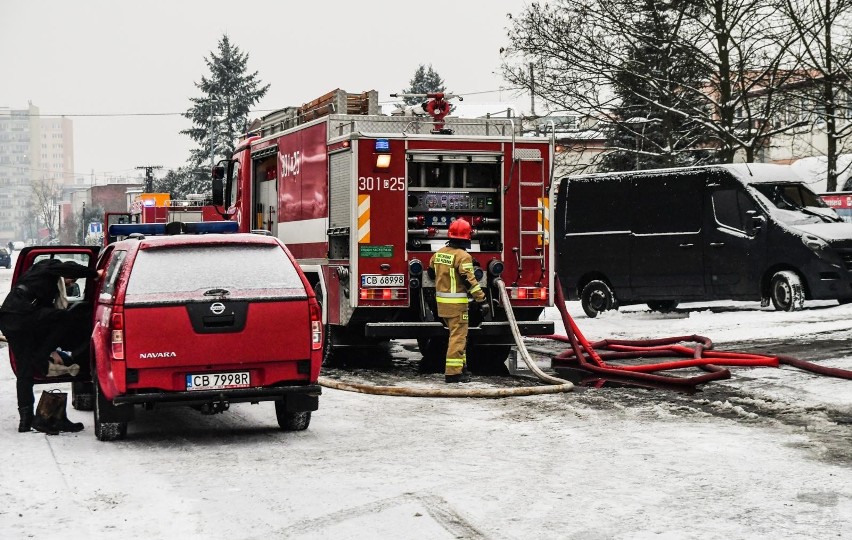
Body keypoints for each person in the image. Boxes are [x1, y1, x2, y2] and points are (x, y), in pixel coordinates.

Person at [0, 259, 100, 433]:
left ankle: (26, 421)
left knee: (25, 373)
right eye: (72, 280)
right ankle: (40, 357)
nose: (71, 284)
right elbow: (69, 267)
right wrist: (95, 274)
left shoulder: (44, 289)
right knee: (66, 317)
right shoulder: (48, 265)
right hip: (21, 313)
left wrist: (52, 350)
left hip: (12, 319)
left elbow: (45, 323)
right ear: (68, 274)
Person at [428, 218, 491, 383]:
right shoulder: (463, 257)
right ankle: (453, 373)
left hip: (442, 305)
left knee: (457, 336)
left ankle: (462, 368)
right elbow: (469, 280)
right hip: (456, 305)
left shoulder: (439, 253)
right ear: (467, 237)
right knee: (458, 337)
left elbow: (431, 269)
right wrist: (482, 300)